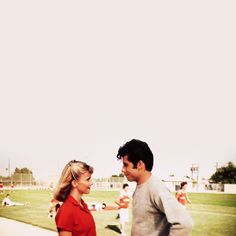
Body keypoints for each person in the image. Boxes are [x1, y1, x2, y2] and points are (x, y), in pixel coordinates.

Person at [116, 139, 193, 236]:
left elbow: (184, 223)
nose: (122, 170)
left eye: (125, 165)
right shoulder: (140, 187)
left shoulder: (155, 188)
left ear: (139, 165)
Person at [54, 160, 96, 236]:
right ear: (75, 183)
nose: (91, 182)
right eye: (88, 179)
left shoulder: (83, 205)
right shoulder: (66, 211)